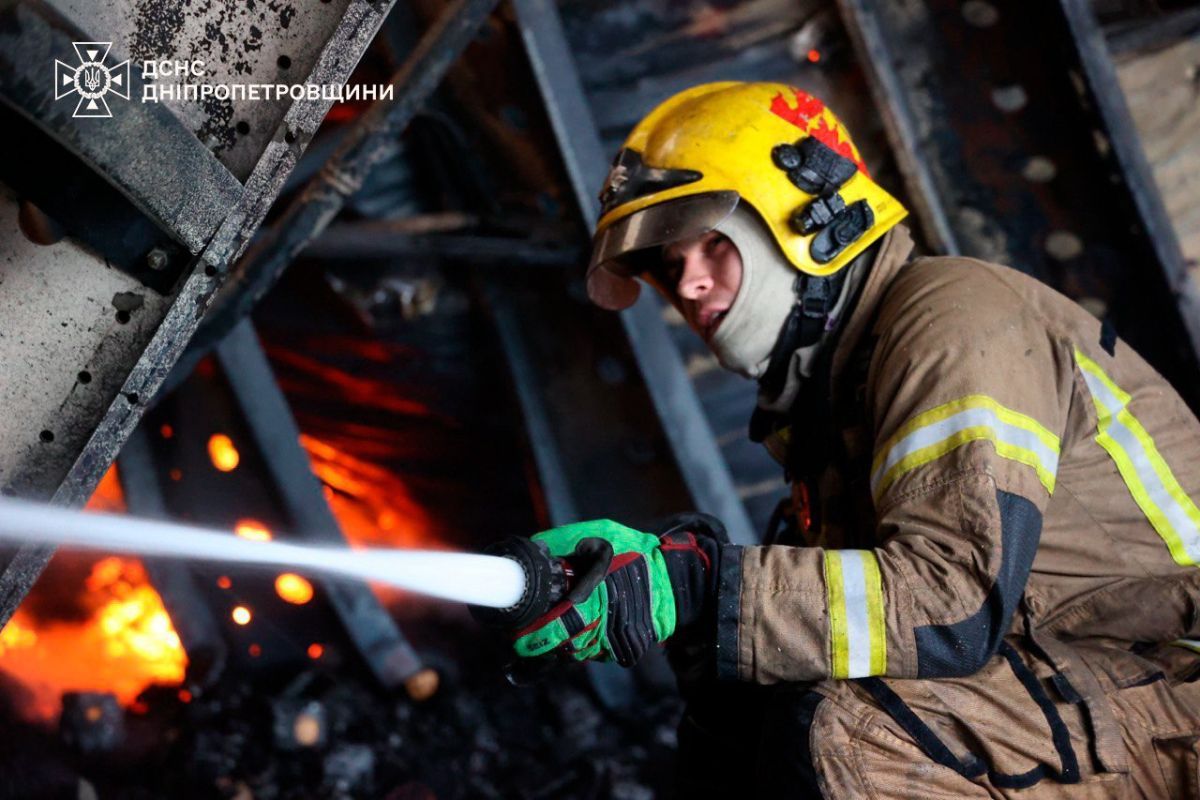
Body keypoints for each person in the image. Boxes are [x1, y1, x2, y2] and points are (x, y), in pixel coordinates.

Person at [507, 81, 1200, 797]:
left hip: (1177, 693)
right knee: (754, 686)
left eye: (713, 245)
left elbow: (949, 608)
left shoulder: (954, 320)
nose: (690, 287)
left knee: (859, 737)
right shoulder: (832, 404)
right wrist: (699, 622)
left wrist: (704, 587)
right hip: (1102, 685)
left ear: (812, 219)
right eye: (667, 267)